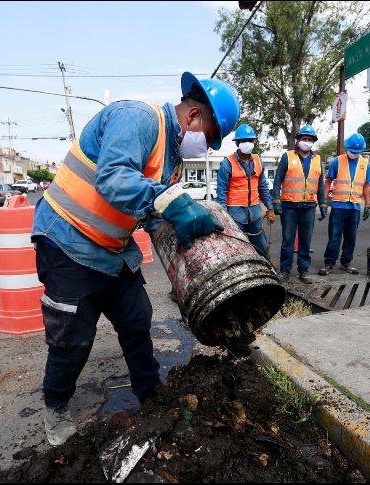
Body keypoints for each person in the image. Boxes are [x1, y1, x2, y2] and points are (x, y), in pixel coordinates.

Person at [31, 72, 240, 446]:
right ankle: (56, 405)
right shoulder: (137, 118)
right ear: (193, 116)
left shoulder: (171, 159)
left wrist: (188, 232)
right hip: (68, 241)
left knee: (137, 320)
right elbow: (113, 179)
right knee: (73, 337)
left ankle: (149, 392)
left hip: (114, 251)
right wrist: (174, 204)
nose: (207, 148)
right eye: (209, 137)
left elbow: (150, 210)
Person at [272, 125, 326, 284]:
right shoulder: (287, 157)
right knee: (288, 240)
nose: (307, 142)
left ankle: (304, 270)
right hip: (289, 205)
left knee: (305, 240)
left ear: (313, 142)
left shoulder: (317, 160)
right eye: (304, 139)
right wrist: (276, 201)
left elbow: (320, 185)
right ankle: (285, 270)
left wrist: (323, 204)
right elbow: (277, 181)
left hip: (309, 206)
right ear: (298, 140)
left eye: (310, 140)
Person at [318, 133, 370, 276]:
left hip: (355, 207)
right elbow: (328, 182)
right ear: (347, 148)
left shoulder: (365, 164)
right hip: (338, 206)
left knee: (351, 237)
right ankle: (329, 263)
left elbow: (367, 185)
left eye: (357, 152)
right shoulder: (337, 161)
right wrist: (324, 202)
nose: (354, 154)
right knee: (334, 236)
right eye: (352, 151)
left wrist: (367, 204)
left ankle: (346, 263)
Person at [216, 123, 275, 256]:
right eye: (244, 141)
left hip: (255, 213)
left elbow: (263, 187)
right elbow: (222, 193)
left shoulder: (258, 161)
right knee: (237, 250)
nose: (247, 143)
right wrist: (223, 217)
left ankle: (264, 271)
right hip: (235, 214)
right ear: (237, 143)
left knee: (262, 248)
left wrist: (270, 208)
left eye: (250, 140)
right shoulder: (227, 163)